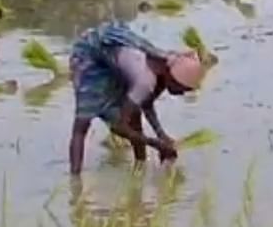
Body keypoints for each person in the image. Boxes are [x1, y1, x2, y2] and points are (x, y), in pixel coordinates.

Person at [68, 21, 205, 175]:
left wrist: (162, 135)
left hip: (113, 58)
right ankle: (75, 183)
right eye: (182, 88)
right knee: (82, 125)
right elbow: (119, 126)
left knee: (134, 113)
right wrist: (156, 144)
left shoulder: (162, 63)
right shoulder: (145, 80)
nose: (182, 94)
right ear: (173, 78)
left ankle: (140, 167)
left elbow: (146, 103)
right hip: (89, 55)